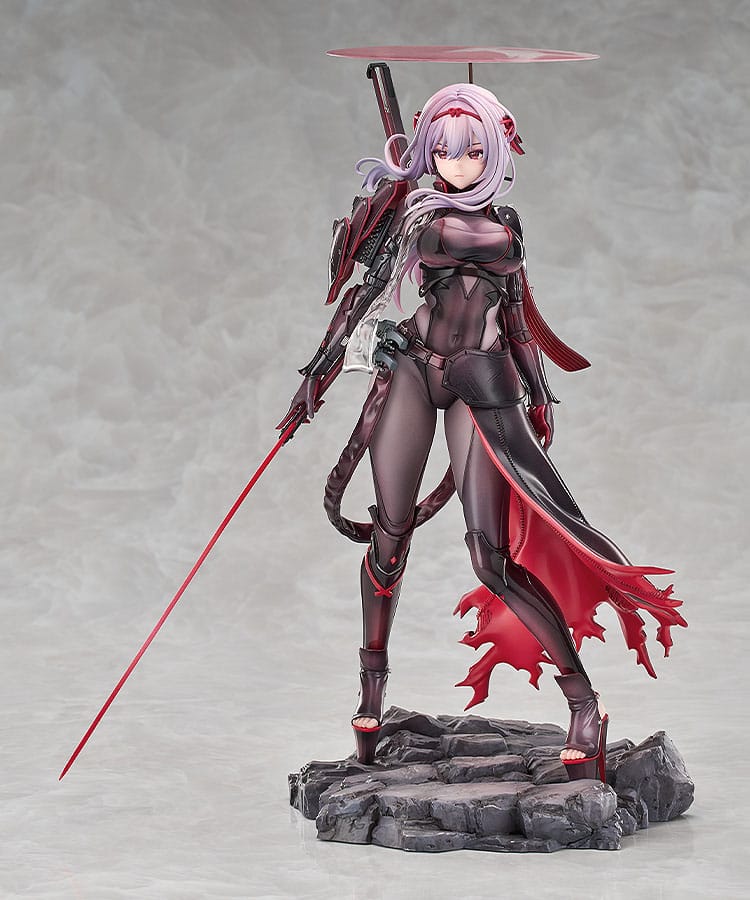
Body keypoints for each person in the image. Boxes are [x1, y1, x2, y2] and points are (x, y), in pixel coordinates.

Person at [279, 83, 685, 781]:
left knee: (489, 560)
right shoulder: (414, 213)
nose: (457, 164)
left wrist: (540, 391)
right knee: (389, 534)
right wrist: (317, 375)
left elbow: (518, 318)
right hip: (415, 367)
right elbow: (361, 299)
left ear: (494, 152)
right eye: (443, 151)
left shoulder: (499, 226)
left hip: (483, 381)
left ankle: (583, 703)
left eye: (471, 152)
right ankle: (370, 694)